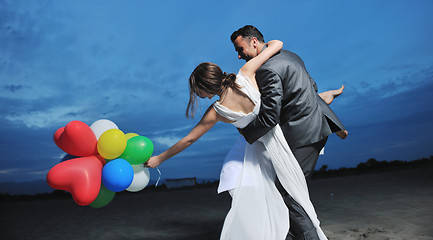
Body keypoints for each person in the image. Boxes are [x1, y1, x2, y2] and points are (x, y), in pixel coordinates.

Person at [146, 40, 328, 239]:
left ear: (204, 86)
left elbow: (188, 140)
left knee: (262, 192)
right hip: (281, 140)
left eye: (197, 90)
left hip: (259, 149)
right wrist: (266, 43)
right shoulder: (246, 72)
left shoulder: (216, 111)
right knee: (291, 192)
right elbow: (277, 44)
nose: (198, 95)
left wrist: (160, 158)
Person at [230, 25, 347, 239]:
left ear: (254, 42)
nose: (239, 56)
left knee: (288, 193)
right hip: (315, 129)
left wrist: (245, 132)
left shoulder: (266, 70)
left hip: (302, 135)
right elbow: (312, 85)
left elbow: (269, 117)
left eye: (240, 49)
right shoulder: (291, 55)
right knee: (286, 191)